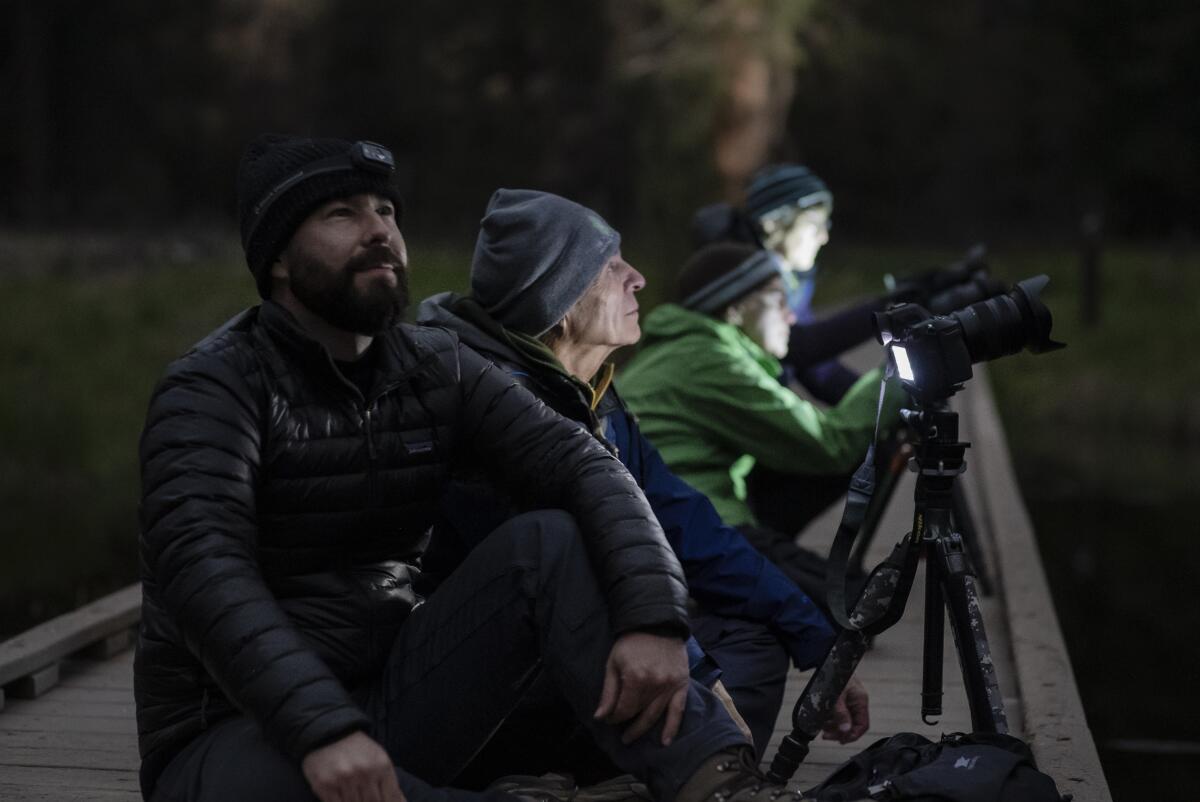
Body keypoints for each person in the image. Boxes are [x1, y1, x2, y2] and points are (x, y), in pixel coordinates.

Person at [134, 135, 793, 802]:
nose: (378, 232)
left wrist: (653, 616)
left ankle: (719, 785)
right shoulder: (213, 389)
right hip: (232, 736)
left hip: (387, 703)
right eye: (342, 215)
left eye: (385, 211)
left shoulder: (434, 365)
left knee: (548, 543)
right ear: (276, 256)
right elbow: (204, 572)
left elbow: (584, 465)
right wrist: (321, 727)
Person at [417, 189, 870, 758]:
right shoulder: (487, 411)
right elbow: (577, 587)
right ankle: (654, 768)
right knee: (708, 664)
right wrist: (701, 678)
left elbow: (686, 523)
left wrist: (819, 641)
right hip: (496, 676)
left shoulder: (595, 395)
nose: (638, 279)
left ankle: (651, 768)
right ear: (558, 302)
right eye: (610, 268)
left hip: (583, 653)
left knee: (753, 634)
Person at [617, 243, 906, 600]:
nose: (791, 317)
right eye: (778, 300)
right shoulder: (710, 361)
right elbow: (830, 444)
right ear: (735, 308)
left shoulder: (685, 349)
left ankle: (776, 557)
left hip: (665, 519)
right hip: (690, 529)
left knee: (844, 585)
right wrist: (901, 371)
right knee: (850, 602)